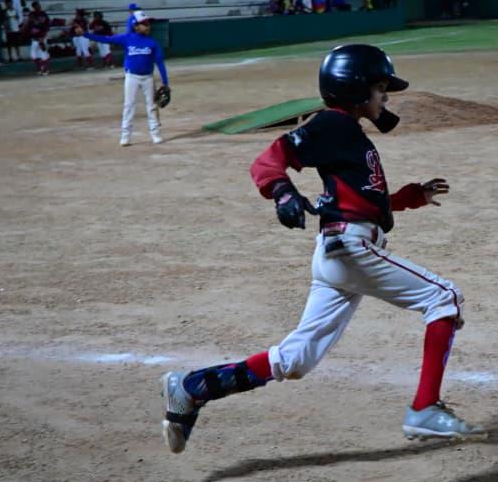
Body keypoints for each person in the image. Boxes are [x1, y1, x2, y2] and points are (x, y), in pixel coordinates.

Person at [159, 44, 481, 454]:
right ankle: (424, 408)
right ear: (356, 88)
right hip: (349, 247)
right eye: (381, 88)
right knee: (444, 298)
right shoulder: (332, 124)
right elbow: (267, 161)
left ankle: (192, 387)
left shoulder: (348, 131)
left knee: (296, 358)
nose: (386, 97)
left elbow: (358, 197)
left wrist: (405, 198)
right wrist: (282, 192)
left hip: (339, 252)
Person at [83, 10, 168, 146]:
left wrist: (165, 82)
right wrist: (85, 34)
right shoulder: (127, 38)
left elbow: (160, 63)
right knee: (129, 106)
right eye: (144, 23)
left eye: (148, 24)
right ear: (135, 26)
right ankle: (125, 136)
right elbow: (105, 39)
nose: (148, 26)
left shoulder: (152, 43)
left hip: (148, 78)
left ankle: (155, 134)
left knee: (151, 106)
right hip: (132, 77)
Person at [23, 1, 52, 75]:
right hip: (34, 38)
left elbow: (47, 25)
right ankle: (40, 68)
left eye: (39, 5)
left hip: (41, 37)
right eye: (37, 6)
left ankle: (46, 69)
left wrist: (43, 35)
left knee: (43, 53)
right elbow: (28, 26)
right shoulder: (32, 14)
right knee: (33, 55)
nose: (39, 7)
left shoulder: (43, 14)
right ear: (34, 7)